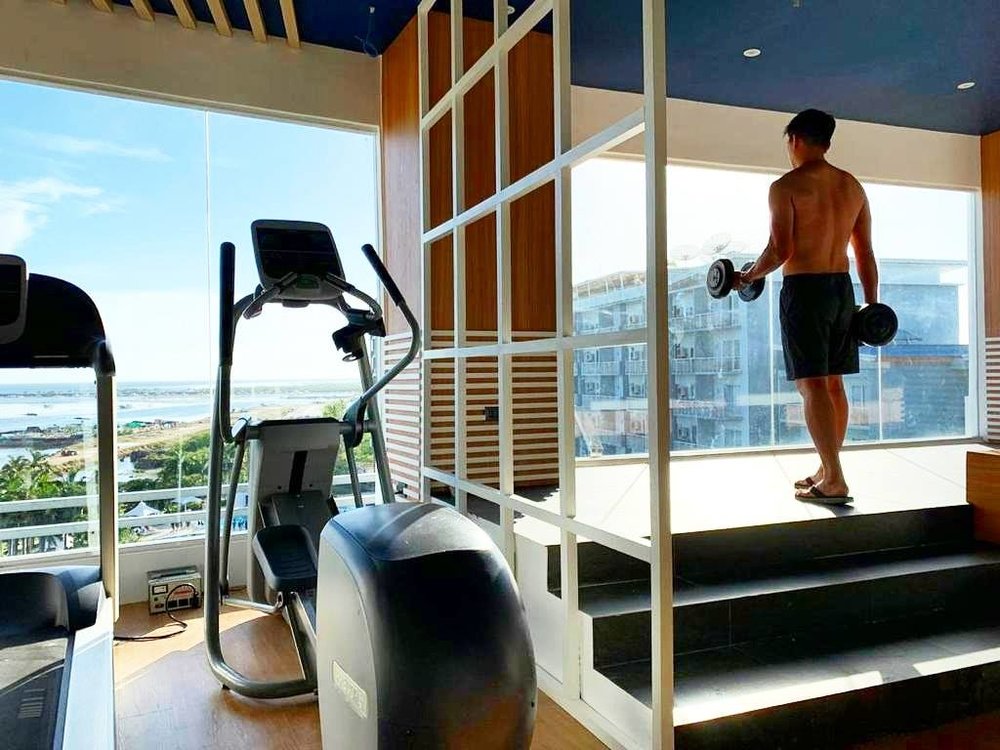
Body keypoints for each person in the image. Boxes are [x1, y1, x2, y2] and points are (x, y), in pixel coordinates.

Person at [735, 108, 878, 504]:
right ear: (827, 143)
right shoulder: (853, 187)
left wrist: (749, 276)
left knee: (811, 383)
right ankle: (827, 467)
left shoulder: (785, 187)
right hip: (842, 290)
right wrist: (871, 305)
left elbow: (781, 250)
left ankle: (834, 478)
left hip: (805, 290)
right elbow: (864, 252)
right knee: (833, 382)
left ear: (794, 140)